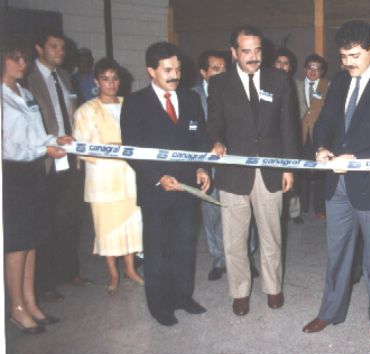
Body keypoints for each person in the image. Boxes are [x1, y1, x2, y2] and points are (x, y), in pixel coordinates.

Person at [302, 20, 370, 346]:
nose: (348, 62)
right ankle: (330, 311)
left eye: (354, 55)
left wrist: (355, 157)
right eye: (343, 56)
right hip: (337, 186)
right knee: (336, 254)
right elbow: (324, 123)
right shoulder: (338, 81)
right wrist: (321, 147)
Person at [208, 25, 297, 316]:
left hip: (271, 170)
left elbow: (288, 127)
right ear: (234, 52)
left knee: (272, 235)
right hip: (234, 172)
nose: (253, 56)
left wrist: (288, 166)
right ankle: (240, 291)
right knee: (234, 238)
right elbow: (213, 124)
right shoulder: (220, 84)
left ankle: (273, 288)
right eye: (246, 50)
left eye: (257, 50)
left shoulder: (279, 79)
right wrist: (216, 141)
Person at [121, 41, 211, 326]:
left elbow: (200, 140)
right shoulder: (135, 103)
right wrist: (158, 178)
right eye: (168, 69)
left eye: (178, 69)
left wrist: (201, 167)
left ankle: (184, 296)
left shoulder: (191, 99)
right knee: (158, 251)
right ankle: (160, 306)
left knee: (185, 246)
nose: (175, 74)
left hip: (186, 189)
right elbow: (130, 149)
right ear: (151, 71)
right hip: (156, 191)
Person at [2, 34, 68, 335]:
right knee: (16, 244)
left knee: (32, 241)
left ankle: (31, 302)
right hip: (11, 174)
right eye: (15, 57)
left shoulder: (24, 93)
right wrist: (45, 149)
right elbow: (9, 147)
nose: (22, 63)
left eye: (24, 58)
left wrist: (56, 141)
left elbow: (39, 136)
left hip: (33, 172)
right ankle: (16, 308)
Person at [26, 28, 91, 303]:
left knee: (70, 218)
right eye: (53, 47)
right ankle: (45, 283)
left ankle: (70, 272)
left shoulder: (65, 77)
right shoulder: (27, 80)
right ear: (39, 48)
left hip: (70, 157)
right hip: (44, 160)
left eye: (62, 48)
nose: (59, 52)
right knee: (46, 222)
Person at [72, 58, 144, 295]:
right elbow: (80, 146)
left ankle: (131, 269)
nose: (111, 84)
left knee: (132, 226)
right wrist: (109, 147)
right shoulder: (86, 110)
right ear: (96, 81)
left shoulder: (130, 104)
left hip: (130, 176)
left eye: (115, 79)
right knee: (107, 229)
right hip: (103, 180)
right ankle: (113, 273)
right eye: (105, 79)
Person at [192, 50, 260, 281]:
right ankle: (219, 259)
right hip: (206, 166)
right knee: (211, 214)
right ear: (203, 72)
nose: (221, 72)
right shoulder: (192, 97)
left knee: (242, 213)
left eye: (223, 68)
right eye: (215, 69)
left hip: (234, 163)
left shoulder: (236, 89)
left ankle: (247, 258)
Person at [296, 53, 329, 220]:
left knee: (320, 175)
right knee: (301, 172)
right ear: (305, 69)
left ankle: (319, 208)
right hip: (301, 135)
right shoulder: (297, 86)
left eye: (317, 69)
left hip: (319, 137)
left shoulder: (327, 86)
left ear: (322, 72)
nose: (313, 71)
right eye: (310, 68)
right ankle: (302, 207)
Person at [273, 47, 304, 224]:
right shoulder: (266, 82)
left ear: (290, 67)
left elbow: (302, 109)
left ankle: (294, 211)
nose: (282, 66)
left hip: (290, 135)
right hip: (269, 138)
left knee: (291, 174)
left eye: (285, 64)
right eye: (279, 62)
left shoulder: (296, 85)